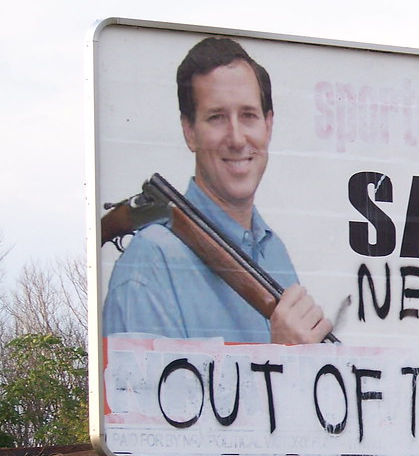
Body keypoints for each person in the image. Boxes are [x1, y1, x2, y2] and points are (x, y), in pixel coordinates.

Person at [103, 36, 333, 344]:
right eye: (217, 118)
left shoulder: (273, 251)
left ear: (268, 125)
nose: (236, 139)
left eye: (248, 116)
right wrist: (281, 360)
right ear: (189, 131)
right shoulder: (149, 265)